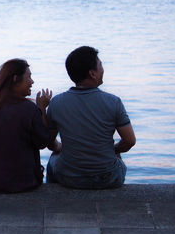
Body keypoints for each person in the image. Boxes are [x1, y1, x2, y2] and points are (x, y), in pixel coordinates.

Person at [46, 46, 136, 189]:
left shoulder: (56, 103)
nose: (102, 69)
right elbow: (129, 141)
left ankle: (51, 197)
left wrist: (59, 147)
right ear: (92, 74)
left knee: (53, 159)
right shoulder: (113, 102)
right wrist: (114, 150)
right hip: (109, 178)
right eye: (100, 65)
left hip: (69, 178)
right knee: (116, 159)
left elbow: (50, 142)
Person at [0, 58, 52, 193]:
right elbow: (42, 142)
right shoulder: (29, 109)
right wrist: (42, 109)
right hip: (23, 184)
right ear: (15, 79)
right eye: (29, 77)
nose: (32, 81)